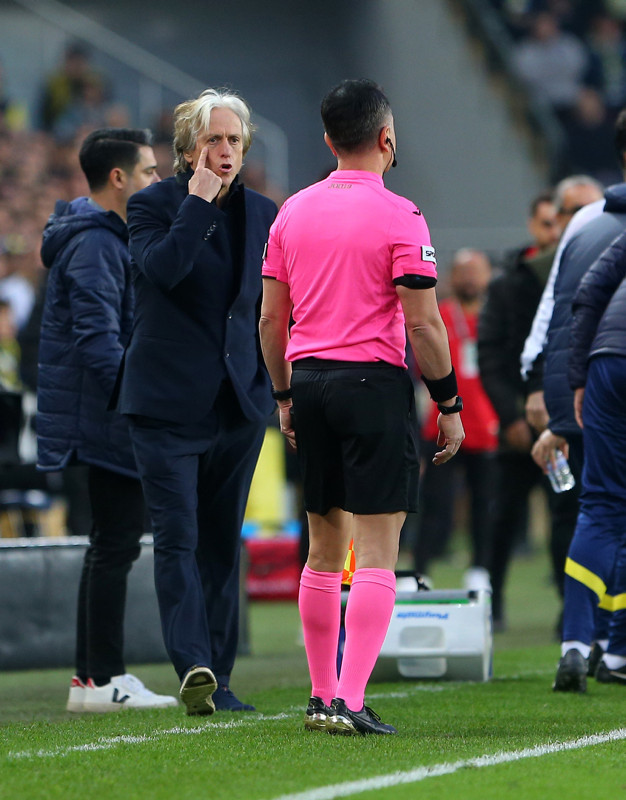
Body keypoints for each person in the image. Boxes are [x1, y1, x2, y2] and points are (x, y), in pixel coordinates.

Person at [259, 78, 464, 736]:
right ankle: (349, 697)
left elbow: (270, 321)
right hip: (372, 384)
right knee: (377, 552)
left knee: (323, 551)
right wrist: (448, 401)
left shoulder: (290, 212)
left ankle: (321, 697)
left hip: (310, 381)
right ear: (386, 138)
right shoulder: (401, 215)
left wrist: (285, 396)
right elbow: (426, 325)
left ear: (326, 140)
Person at [115, 88, 277, 715]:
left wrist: (277, 391)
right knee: (178, 538)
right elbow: (164, 272)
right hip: (164, 404)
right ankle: (194, 665)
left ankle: (223, 679)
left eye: (234, 139)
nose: (226, 150)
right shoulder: (151, 205)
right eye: (213, 139)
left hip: (238, 404)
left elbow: (271, 305)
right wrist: (198, 204)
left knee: (222, 544)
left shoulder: (265, 212)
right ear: (186, 149)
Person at [37, 127, 177, 712]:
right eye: (147, 171)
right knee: (115, 545)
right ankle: (102, 679)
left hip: (103, 415)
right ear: (118, 178)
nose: (156, 180)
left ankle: (91, 678)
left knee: (110, 545)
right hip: (105, 420)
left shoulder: (103, 236)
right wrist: (137, 405)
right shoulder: (95, 244)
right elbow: (99, 344)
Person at [478, 189, 561, 629]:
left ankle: (573, 612)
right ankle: (494, 605)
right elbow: (491, 355)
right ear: (534, 226)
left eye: (559, 222)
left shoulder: (576, 274)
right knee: (503, 520)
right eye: (547, 223)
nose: (554, 231)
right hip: (517, 428)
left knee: (566, 519)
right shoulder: (508, 282)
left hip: (563, 425)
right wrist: (510, 417)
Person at [553, 227, 626, 691]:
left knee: (601, 507)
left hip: (609, 361)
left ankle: (577, 647)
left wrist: (579, 375)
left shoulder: (591, 228)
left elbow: (588, 292)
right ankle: (618, 651)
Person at [415, 249, 497, 589]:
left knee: (485, 506)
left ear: (488, 275)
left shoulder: (496, 317)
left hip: (489, 428)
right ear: (450, 277)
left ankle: (481, 570)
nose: (469, 279)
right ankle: (420, 570)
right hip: (441, 426)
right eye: (462, 272)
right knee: (435, 506)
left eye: (476, 271)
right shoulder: (439, 316)